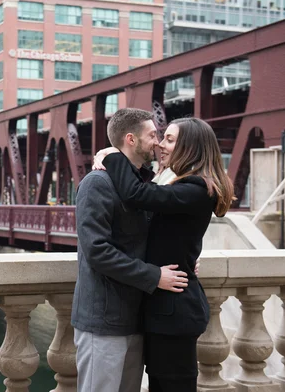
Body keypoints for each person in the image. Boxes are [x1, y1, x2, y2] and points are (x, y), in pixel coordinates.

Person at [93, 117, 235, 392]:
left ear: (190, 146)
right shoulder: (186, 185)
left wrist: (112, 155)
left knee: (174, 386)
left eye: (170, 139)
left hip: (175, 314)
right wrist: (186, 258)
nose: (161, 145)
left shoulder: (195, 188)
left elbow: (136, 194)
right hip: (166, 312)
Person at [71, 108, 191, 392]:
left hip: (135, 318)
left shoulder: (140, 184)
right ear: (131, 139)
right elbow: (97, 250)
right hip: (103, 321)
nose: (158, 142)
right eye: (152, 135)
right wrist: (154, 276)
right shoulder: (97, 183)